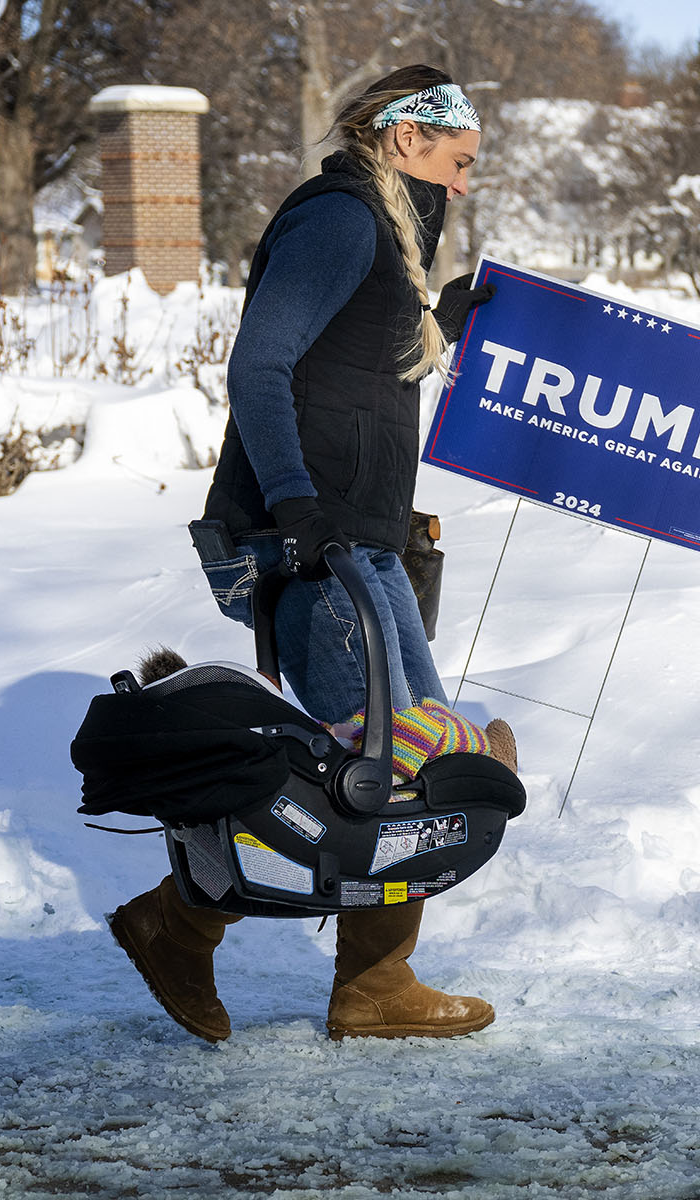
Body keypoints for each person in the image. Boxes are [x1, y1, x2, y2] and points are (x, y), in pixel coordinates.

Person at [108, 65, 505, 1044]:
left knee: (415, 764)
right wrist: (294, 509)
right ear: (409, 139)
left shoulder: (391, 229)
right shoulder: (340, 220)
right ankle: (178, 925)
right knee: (363, 776)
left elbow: (359, 373)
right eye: (457, 162)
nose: (463, 184)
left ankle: (374, 982)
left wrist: (446, 314)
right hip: (311, 544)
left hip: (361, 542)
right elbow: (261, 364)